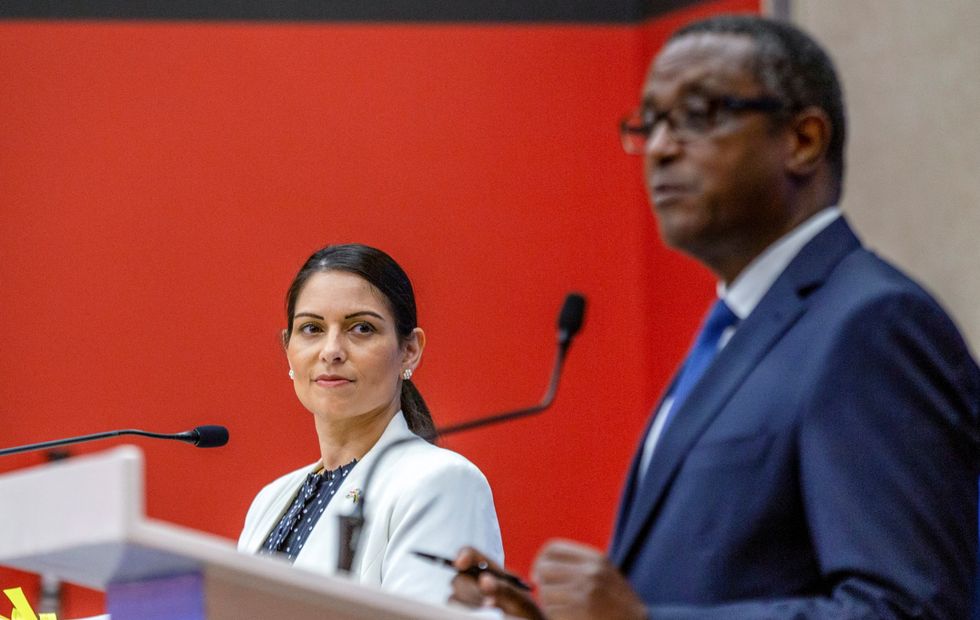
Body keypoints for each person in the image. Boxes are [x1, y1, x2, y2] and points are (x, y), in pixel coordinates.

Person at [451, 14, 979, 619]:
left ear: (802, 140)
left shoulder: (873, 325)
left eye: (699, 115)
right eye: (649, 122)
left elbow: (910, 610)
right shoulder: (740, 328)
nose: (661, 147)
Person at [239, 243, 503, 605]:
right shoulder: (270, 500)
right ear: (288, 348)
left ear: (409, 350)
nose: (331, 350)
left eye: (361, 328)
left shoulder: (441, 482)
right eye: (312, 329)